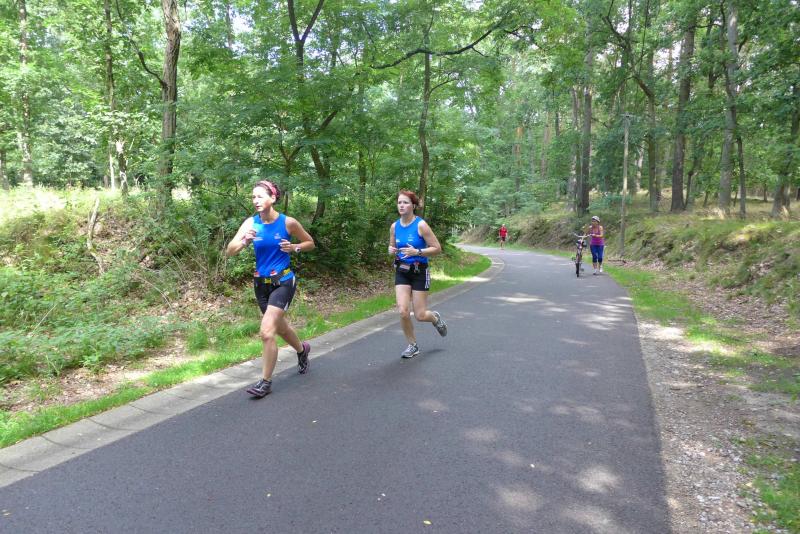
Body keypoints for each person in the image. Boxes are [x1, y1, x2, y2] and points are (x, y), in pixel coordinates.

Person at [226, 180, 315, 398]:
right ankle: (302, 350)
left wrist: (294, 247)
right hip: (261, 284)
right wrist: (245, 241)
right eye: (253, 197)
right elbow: (230, 250)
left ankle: (265, 382)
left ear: (272, 198)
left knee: (267, 332)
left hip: (283, 281)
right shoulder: (251, 223)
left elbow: (310, 243)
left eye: (260, 196)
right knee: (281, 328)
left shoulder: (288, 222)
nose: (255, 201)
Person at [388, 190, 448, 358]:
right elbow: (392, 247)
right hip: (402, 271)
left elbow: (437, 248)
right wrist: (391, 250)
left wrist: (418, 251)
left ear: (413, 206)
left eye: (405, 202)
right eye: (399, 202)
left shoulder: (421, 225)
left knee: (420, 315)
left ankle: (435, 318)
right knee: (403, 310)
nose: (401, 205)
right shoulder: (394, 226)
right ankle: (412, 345)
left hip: (419, 271)